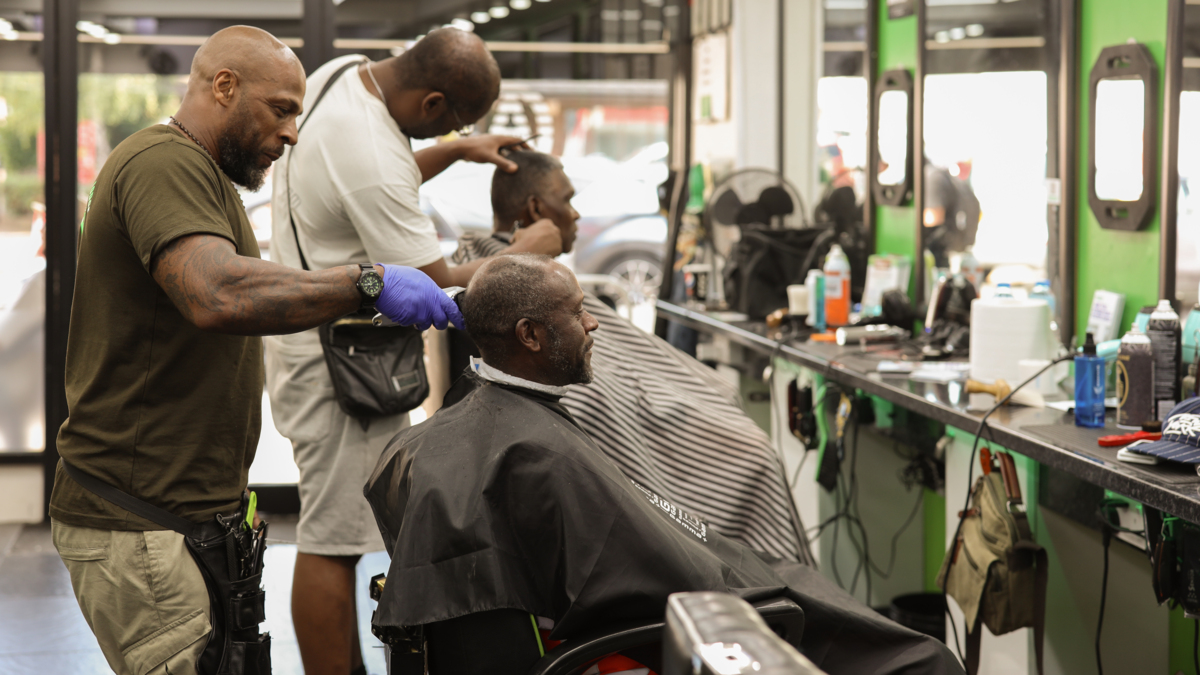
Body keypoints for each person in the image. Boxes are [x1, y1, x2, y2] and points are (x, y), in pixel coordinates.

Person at [49, 27, 460, 675]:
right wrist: (367, 283)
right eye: (280, 109)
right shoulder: (162, 163)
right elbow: (215, 291)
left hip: (181, 518)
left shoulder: (202, 175)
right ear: (223, 86)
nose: (292, 133)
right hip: (142, 522)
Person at [365, 255, 963, 675]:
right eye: (578, 312)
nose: (593, 324)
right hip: (716, 607)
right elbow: (649, 578)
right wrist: (743, 582)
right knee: (924, 660)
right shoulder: (533, 452)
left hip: (706, 579)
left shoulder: (477, 430)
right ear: (531, 336)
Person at [267, 27, 562, 675]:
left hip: (314, 338)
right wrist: (526, 251)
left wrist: (455, 149)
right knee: (332, 540)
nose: (450, 132)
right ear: (430, 103)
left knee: (337, 531)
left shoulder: (343, 75)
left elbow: (370, 177)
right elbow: (437, 281)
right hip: (339, 365)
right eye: (452, 122)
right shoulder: (371, 152)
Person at [451, 149, 810, 562]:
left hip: (649, 407)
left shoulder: (516, 280)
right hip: (636, 436)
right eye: (567, 200)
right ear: (536, 209)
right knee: (754, 456)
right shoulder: (515, 293)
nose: (576, 214)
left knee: (729, 407)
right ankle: (766, 582)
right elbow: (597, 402)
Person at [924, 162, 981, 269]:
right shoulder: (940, 175)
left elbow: (932, 218)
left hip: (939, 254)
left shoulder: (931, 176)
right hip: (953, 252)